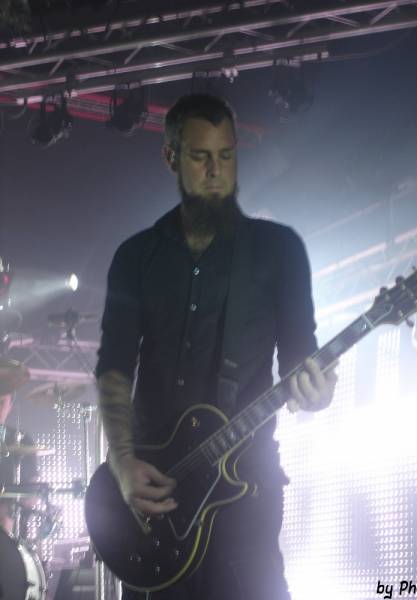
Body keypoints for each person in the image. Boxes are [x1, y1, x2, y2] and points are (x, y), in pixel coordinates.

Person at [96, 93, 337, 600]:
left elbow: (302, 360)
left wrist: (319, 392)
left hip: (245, 488)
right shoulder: (136, 257)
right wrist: (121, 462)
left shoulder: (278, 250)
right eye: (201, 157)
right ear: (171, 157)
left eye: (227, 156)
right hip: (155, 492)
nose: (216, 171)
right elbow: (114, 367)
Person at [0, 392, 38, 535]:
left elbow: (32, 486)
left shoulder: (23, 440)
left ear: (10, 406)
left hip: (10, 517)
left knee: (6, 520)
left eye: (1, 402)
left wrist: (30, 497)